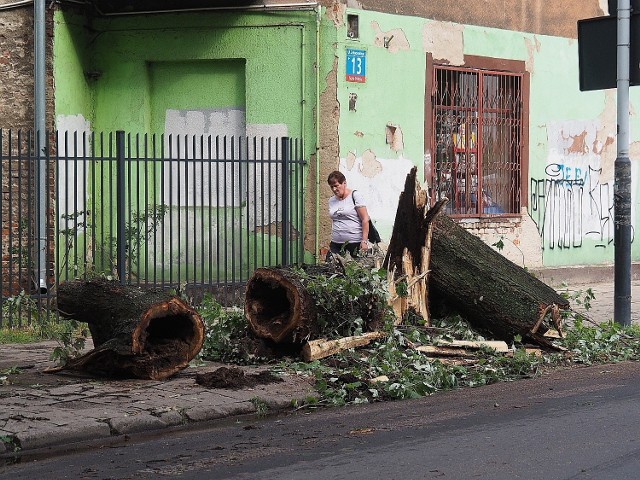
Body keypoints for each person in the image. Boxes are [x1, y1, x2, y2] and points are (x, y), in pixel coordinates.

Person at [327, 170, 370, 259]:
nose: (334, 189)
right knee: (332, 269)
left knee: (354, 270)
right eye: (331, 187)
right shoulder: (331, 200)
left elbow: (365, 219)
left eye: (336, 186)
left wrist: (364, 241)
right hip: (336, 244)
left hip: (354, 243)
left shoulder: (355, 196)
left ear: (344, 183)